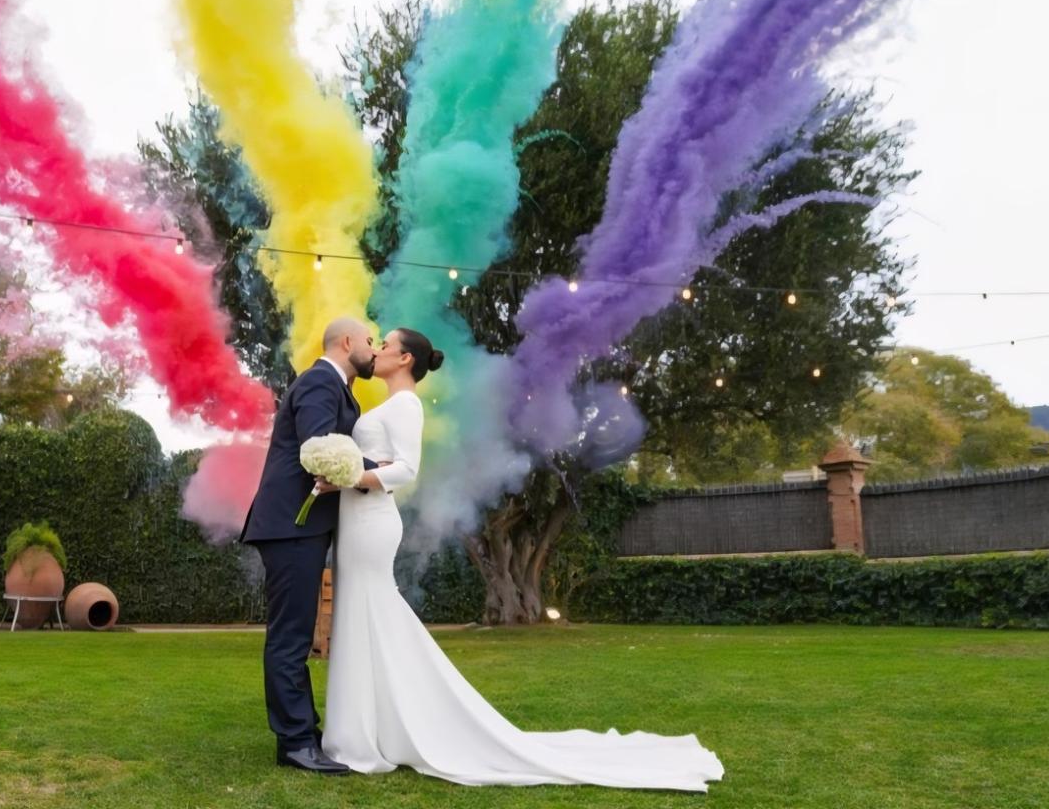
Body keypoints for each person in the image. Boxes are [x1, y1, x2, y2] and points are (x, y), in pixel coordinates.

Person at [319, 327, 725, 791]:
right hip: (356, 520)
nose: (378, 348)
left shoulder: (406, 405)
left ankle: (366, 736)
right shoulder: (390, 404)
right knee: (363, 617)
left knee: (370, 612)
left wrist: (351, 474)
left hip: (371, 521)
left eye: (386, 344)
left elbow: (406, 469)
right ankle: (371, 728)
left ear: (405, 359)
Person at [239, 316, 377, 774]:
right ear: (347, 341)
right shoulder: (321, 381)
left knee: (296, 633)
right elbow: (320, 449)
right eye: (370, 341)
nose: (374, 350)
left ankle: (303, 731)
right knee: (292, 636)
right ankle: (295, 742)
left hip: (300, 527)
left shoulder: (335, 385)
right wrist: (383, 469)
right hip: (290, 525)